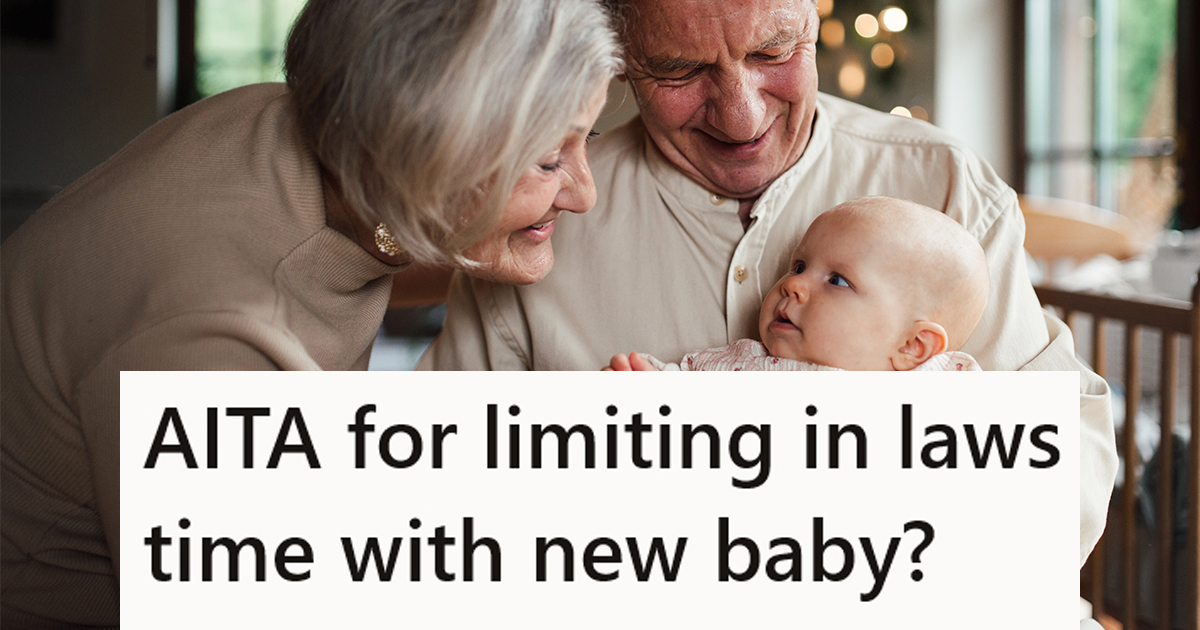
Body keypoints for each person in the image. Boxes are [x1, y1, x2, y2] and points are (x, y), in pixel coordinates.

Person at [419, 0, 1118, 568]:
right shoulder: (539, 210)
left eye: (772, 52)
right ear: (620, 56)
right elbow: (437, 495)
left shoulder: (941, 185)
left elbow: (1065, 467)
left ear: (816, 12)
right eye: (678, 69)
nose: (741, 115)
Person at [0, 0, 620, 625]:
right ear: (425, 158)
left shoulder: (286, 120)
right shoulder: (216, 350)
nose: (586, 193)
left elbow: (354, 263)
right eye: (548, 161)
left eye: (585, 138)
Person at [606, 196, 988, 372]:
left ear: (913, 345)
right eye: (799, 266)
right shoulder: (740, 365)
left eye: (837, 280)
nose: (794, 285)